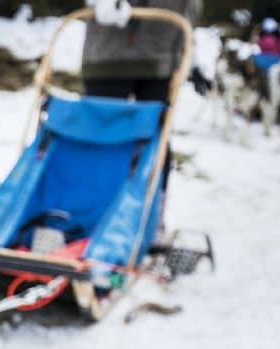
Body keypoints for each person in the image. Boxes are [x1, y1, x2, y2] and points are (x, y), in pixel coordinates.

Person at [81, 0, 202, 238]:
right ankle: (88, 213)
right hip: (109, 51)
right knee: (97, 135)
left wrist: (192, 50)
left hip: (163, 48)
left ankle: (150, 218)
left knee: (156, 136)